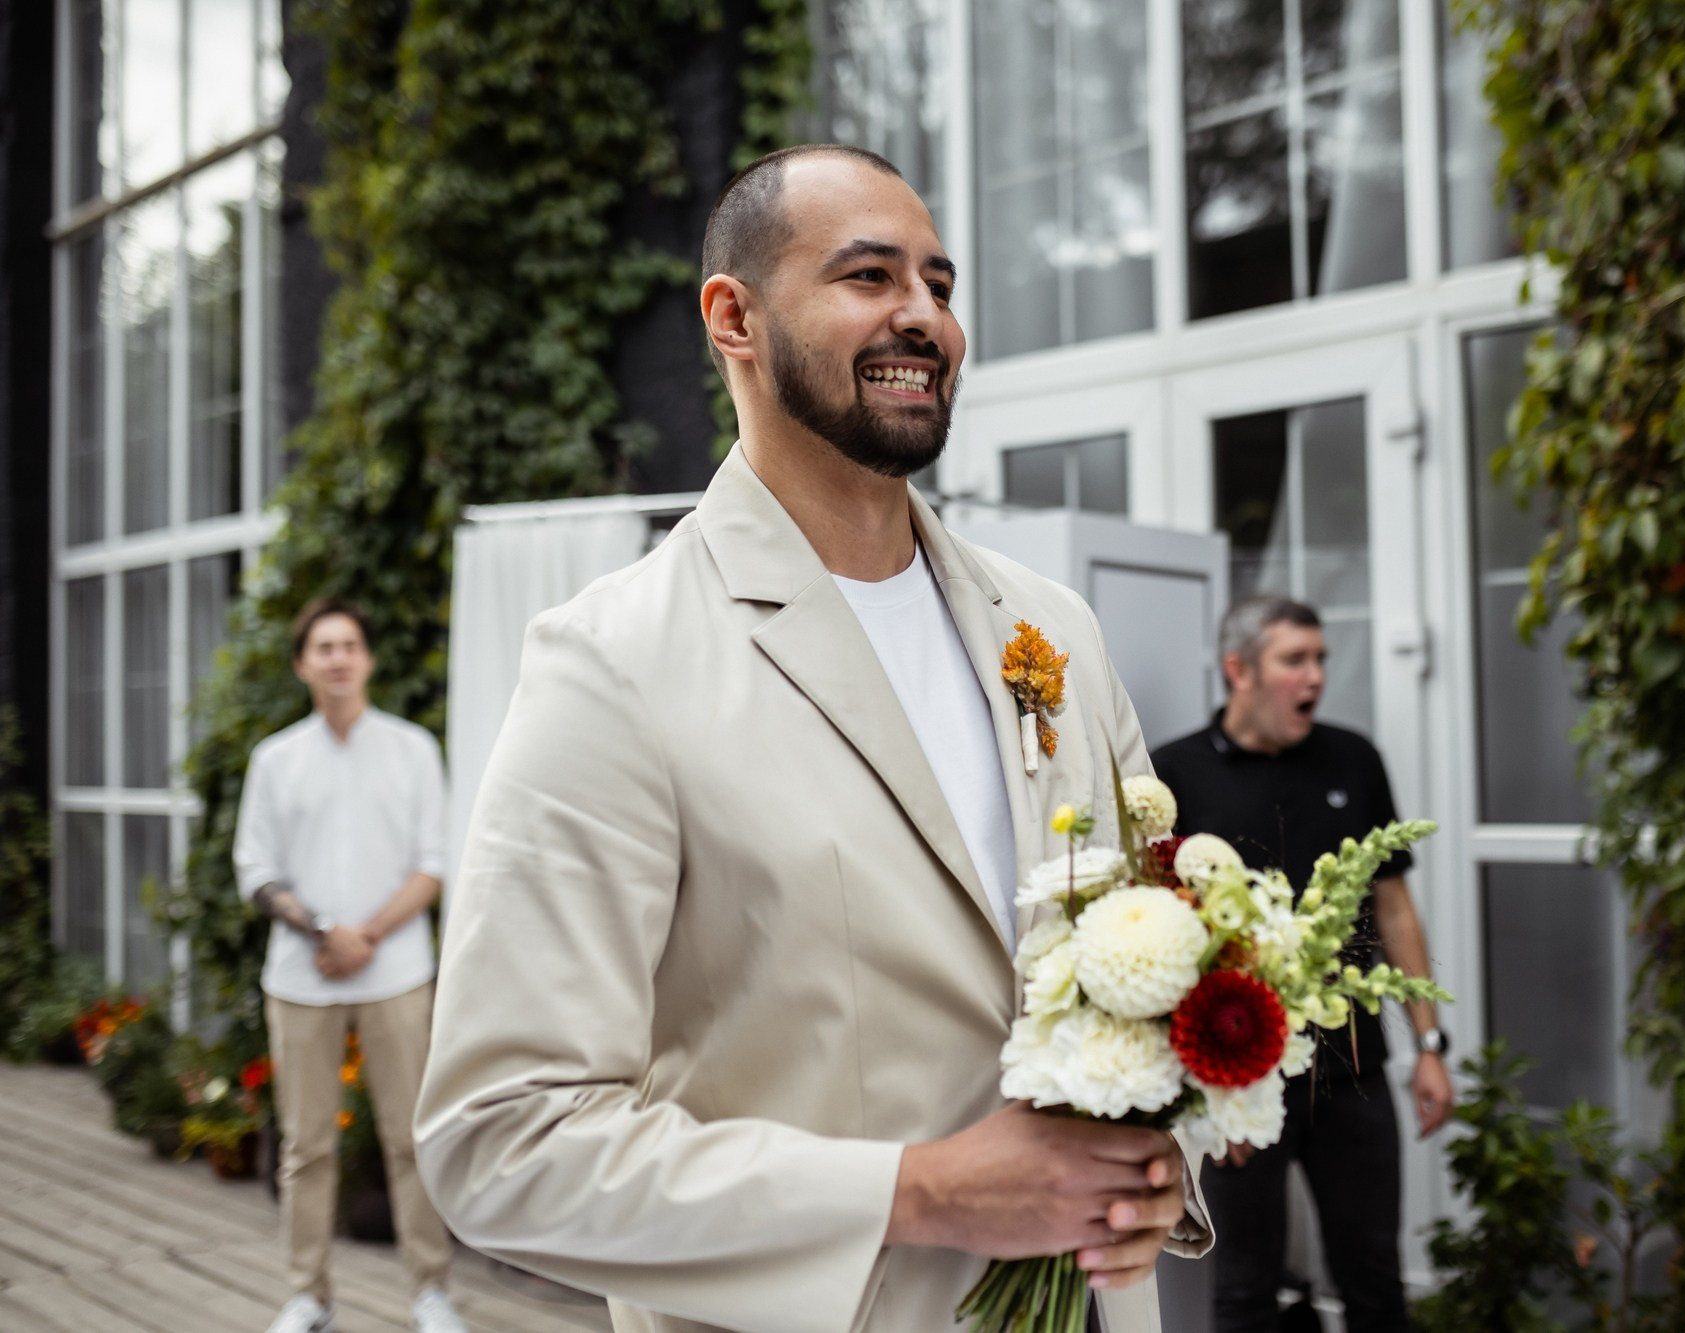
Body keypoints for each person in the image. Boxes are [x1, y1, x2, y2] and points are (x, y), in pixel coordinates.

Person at [412, 144, 1209, 1333]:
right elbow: (500, 1142)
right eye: (868, 275)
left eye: (938, 283)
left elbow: (1153, 969)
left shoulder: (1055, 632)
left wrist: (1154, 1171)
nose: (923, 316)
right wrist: (918, 1193)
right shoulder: (613, 662)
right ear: (733, 318)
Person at [1151, 596, 1453, 1333]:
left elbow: (1393, 908)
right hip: (1240, 1079)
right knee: (1244, 1290)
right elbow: (1163, 931)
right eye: (1295, 659)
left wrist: (1429, 1044)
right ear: (1239, 670)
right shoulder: (1175, 773)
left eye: (1319, 658)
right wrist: (1198, 1091)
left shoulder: (1354, 758)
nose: (1315, 675)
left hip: (1354, 1067)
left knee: (1375, 1282)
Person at [235, 598, 465, 1333]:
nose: (338, 658)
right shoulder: (275, 760)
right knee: (306, 1146)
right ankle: (309, 1295)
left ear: (367, 659)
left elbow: (434, 864)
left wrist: (363, 936)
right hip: (301, 979)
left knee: (411, 1137)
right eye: (323, 647)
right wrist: (322, 930)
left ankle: (431, 1293)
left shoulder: (412, 749)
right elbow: (255, 870)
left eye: (349, 645)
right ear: (302, 663)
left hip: (396, 973)